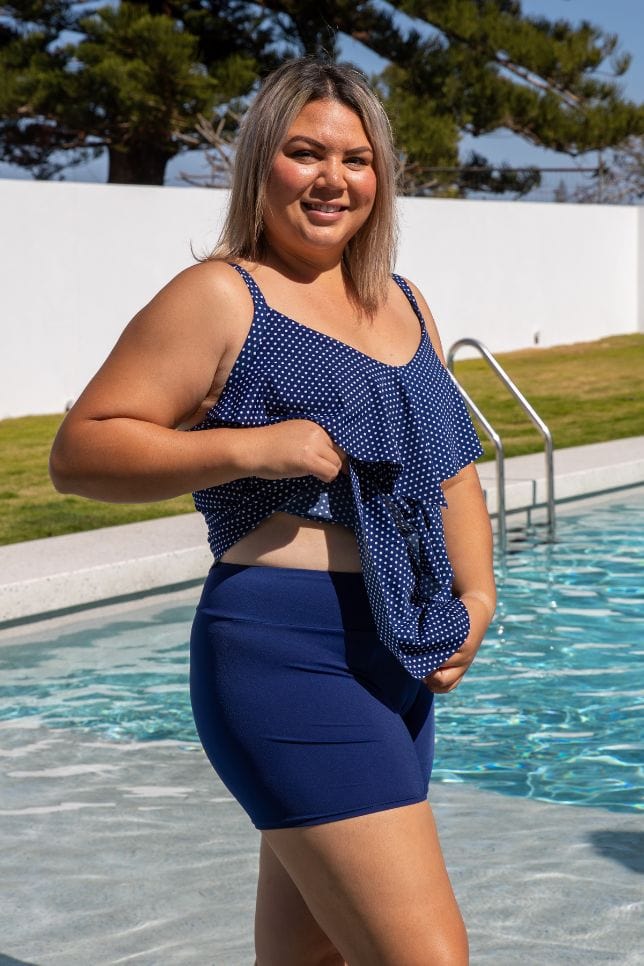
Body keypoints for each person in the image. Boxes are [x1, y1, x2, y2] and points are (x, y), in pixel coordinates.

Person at [50, 57, 495, 966]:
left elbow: (450, 469)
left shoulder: (404, 303)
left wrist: (477, 600)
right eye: (306, 152)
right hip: (285, 650)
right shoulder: (222, 296)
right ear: (261, 164)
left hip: (400, 650)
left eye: (357, 159)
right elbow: (82, 450)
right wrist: (249, 446)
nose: (334, 179)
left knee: (312, 956)